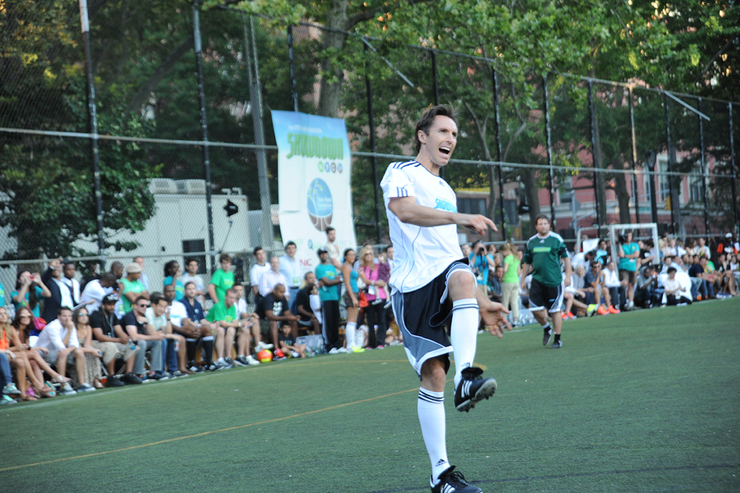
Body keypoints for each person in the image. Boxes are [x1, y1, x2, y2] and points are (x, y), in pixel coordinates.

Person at [380, 105, 511, 493]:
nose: (450, 139)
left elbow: (454, 259)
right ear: (423, 135)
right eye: (444, 131)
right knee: (433, 374)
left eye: (454, 134)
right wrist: (460, 218)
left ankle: (466, 377)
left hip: (444, 278)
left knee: (462, 273)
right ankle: (440, 474)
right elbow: (404, 211)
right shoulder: (401, 172)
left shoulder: (446, 190)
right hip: (411, 288)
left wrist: (481, 300)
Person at [521, 215, 572, 348]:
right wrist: (522, 279)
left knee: (555, 311)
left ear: (549, 225)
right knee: (534, 309)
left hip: (554, 281)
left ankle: (557, 339)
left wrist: (568, 276)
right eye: (540, 224)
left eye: (545, 223)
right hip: (537, 280)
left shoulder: (556, 239)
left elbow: (566, 258)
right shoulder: (531, 242)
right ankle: (546, 327)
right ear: (536, 226)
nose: (543, 226)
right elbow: (526, 262)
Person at [33, 306, 96, 393]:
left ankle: (81, 384)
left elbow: (75, 345)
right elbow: (61, 346)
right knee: (63, 352)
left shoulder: (70, 325)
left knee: (79, 352)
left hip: (58, 352)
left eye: (69, 316)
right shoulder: (53, 327)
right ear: (59, 317)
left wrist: (68, 349)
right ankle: (63, 385)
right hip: (43, 354)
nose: (68, 319)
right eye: (64, 316)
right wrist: (69, 331)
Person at [89, 293, 140, 386]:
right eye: (109, 304)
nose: (112, 307)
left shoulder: (113, 315)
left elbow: (119, 331)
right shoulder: (96, 315)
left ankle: (128, 374)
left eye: (113, 304)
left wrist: (125, 338)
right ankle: (111, 376)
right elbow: (100, 336)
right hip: (95, 343)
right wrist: (119, 340)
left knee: (130, 346)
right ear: (103, 305)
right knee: (110, 346)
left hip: (110, 341)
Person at [176, 281, 217, 372]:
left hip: (198, 327)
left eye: (193, 289)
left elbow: (202, 320)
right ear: (185, 291)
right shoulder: (181, 303)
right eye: (189, 289)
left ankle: (209, 362)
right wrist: (201, 326)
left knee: (210, 329)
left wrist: (212, 324)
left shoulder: (198, 304)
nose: (191, 291)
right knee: (196, 330)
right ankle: (191, 362)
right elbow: (187, 321)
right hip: (185, 329)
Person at [123, 296, 165, 381]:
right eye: (142, 305)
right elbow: (134, 336)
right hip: (127, 342)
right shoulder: (129, 316)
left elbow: (150, 333)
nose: (145, 307)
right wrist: (153, 336)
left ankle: (153, 372)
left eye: (146, 306)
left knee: (157, 342)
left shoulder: (143, 316)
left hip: (137, 342)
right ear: (135, 306)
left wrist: (147, 321)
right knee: (142, 342)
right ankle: (138, 373)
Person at [358, 245, 389, 349]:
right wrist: (376, 282)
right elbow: (365, 281)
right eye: (366, 254)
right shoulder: (362, 268)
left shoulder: (378, 265)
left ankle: (381, 342)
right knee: (370, 321)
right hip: (369, 297)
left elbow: (386, 276)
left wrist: (383, 283)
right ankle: (371, 343)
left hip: (381, 295)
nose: (368, 256)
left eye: (370, 254)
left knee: (381, 320)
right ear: (363, 256)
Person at [256, 284, 299, 355]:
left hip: (276, 320)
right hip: (262, 322)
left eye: (284, 292)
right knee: (274, 323)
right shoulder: (268, 298)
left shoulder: (283, 298)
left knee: (293, 322)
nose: (283, 294)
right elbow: (269, 316)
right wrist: (288, 318)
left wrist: (294, 317)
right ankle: (277, 350)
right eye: (281, 292)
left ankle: (293, 346)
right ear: (275, 291)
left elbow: (287, 313)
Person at [315, 248, 343, 354]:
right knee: (328, 322)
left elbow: (336, 279)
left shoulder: (331, 267)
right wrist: (335, 280)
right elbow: (328, 282)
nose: (324, 256)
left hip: (334, 296)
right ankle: (329, 346)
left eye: (325, 254)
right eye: (321, 254)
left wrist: (333, 280)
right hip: (326, 298)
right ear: (319, 256)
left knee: (336, 321)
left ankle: (336, 344)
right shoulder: (319, 268)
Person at [206, 287, 243, 369]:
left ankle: (229, 358)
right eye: (230, 298)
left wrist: (243, 324)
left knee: (232, 330)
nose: (232, 300)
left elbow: (234, 321)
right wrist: (240, 324)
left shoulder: (233, 306)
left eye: (234, 298)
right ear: (225, 297)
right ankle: (220, 360)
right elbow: (222, 323)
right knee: (221, 330)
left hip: (224, 328)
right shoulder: (219, 306)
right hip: (210, 329)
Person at [159, 287, 192, 376]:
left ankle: (181, 367)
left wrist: (188, 329)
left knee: (192, 333)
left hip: (178, 330)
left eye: (172, 291)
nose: (170, 293)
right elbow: (167, 330)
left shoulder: (179, 305)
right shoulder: (161, 307)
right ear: (164, 293)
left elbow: (185, 320)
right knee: (174, 338)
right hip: (167, 332)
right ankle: (168, 369)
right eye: (168, 291)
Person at [71, 307, 105, 389]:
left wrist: (93, 350)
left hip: (83, 348)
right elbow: (75, 347)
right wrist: (90, 351)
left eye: (86, 315)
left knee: (94, 353)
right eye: (81, 315)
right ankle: (84, 381)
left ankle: (96, 380)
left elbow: (87, 344)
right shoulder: (73, 328)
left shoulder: (88, 328)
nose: (84, 317)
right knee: (85, 354)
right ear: (76, 316)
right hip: (74, 350)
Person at [341, 248, 363, 352]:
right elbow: (347, 283)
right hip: (351, 294)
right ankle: (350, 344)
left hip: (355, 292)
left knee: (354, 320)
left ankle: (352, 343)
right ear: (345, 256)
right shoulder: (345, 266)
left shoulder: (351, 266)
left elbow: (353, 280)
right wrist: (353, 297)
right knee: (351, 320)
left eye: (353, 255)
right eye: (350, 255)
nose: (352, 256)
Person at [41, 258, 74, 323]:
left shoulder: (66, 285)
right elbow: (43, 279)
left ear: (61, 270)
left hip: (67, 315)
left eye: (58, 267)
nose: (56, 269)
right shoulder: (49, 282)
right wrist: (51, 267)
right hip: (53, 315)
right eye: (54, 268)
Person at [500, 243, 521, 326]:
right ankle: (515, 320)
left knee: (505, 301)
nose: (502, 254)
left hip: (507, 281)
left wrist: (502, 277)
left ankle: (504, 320)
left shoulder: (507, 258)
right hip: (516, 281)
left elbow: (504, 269)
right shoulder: (516, 258)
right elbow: (519, 272)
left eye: (502, 253)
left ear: (505, 251)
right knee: (514, 302)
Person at [617, 232, 639, 310]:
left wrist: (626, 256)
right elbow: (620, 254)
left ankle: (631, 303)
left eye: (629, 235)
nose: (628, 237)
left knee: (631, 286)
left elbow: (636, 255)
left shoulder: (635, 245)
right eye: (626, 236)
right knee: (624, 284)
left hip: (632, 267)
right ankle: (624, 303)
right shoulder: (621, 245)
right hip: (623, 267)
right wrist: (619, 243)